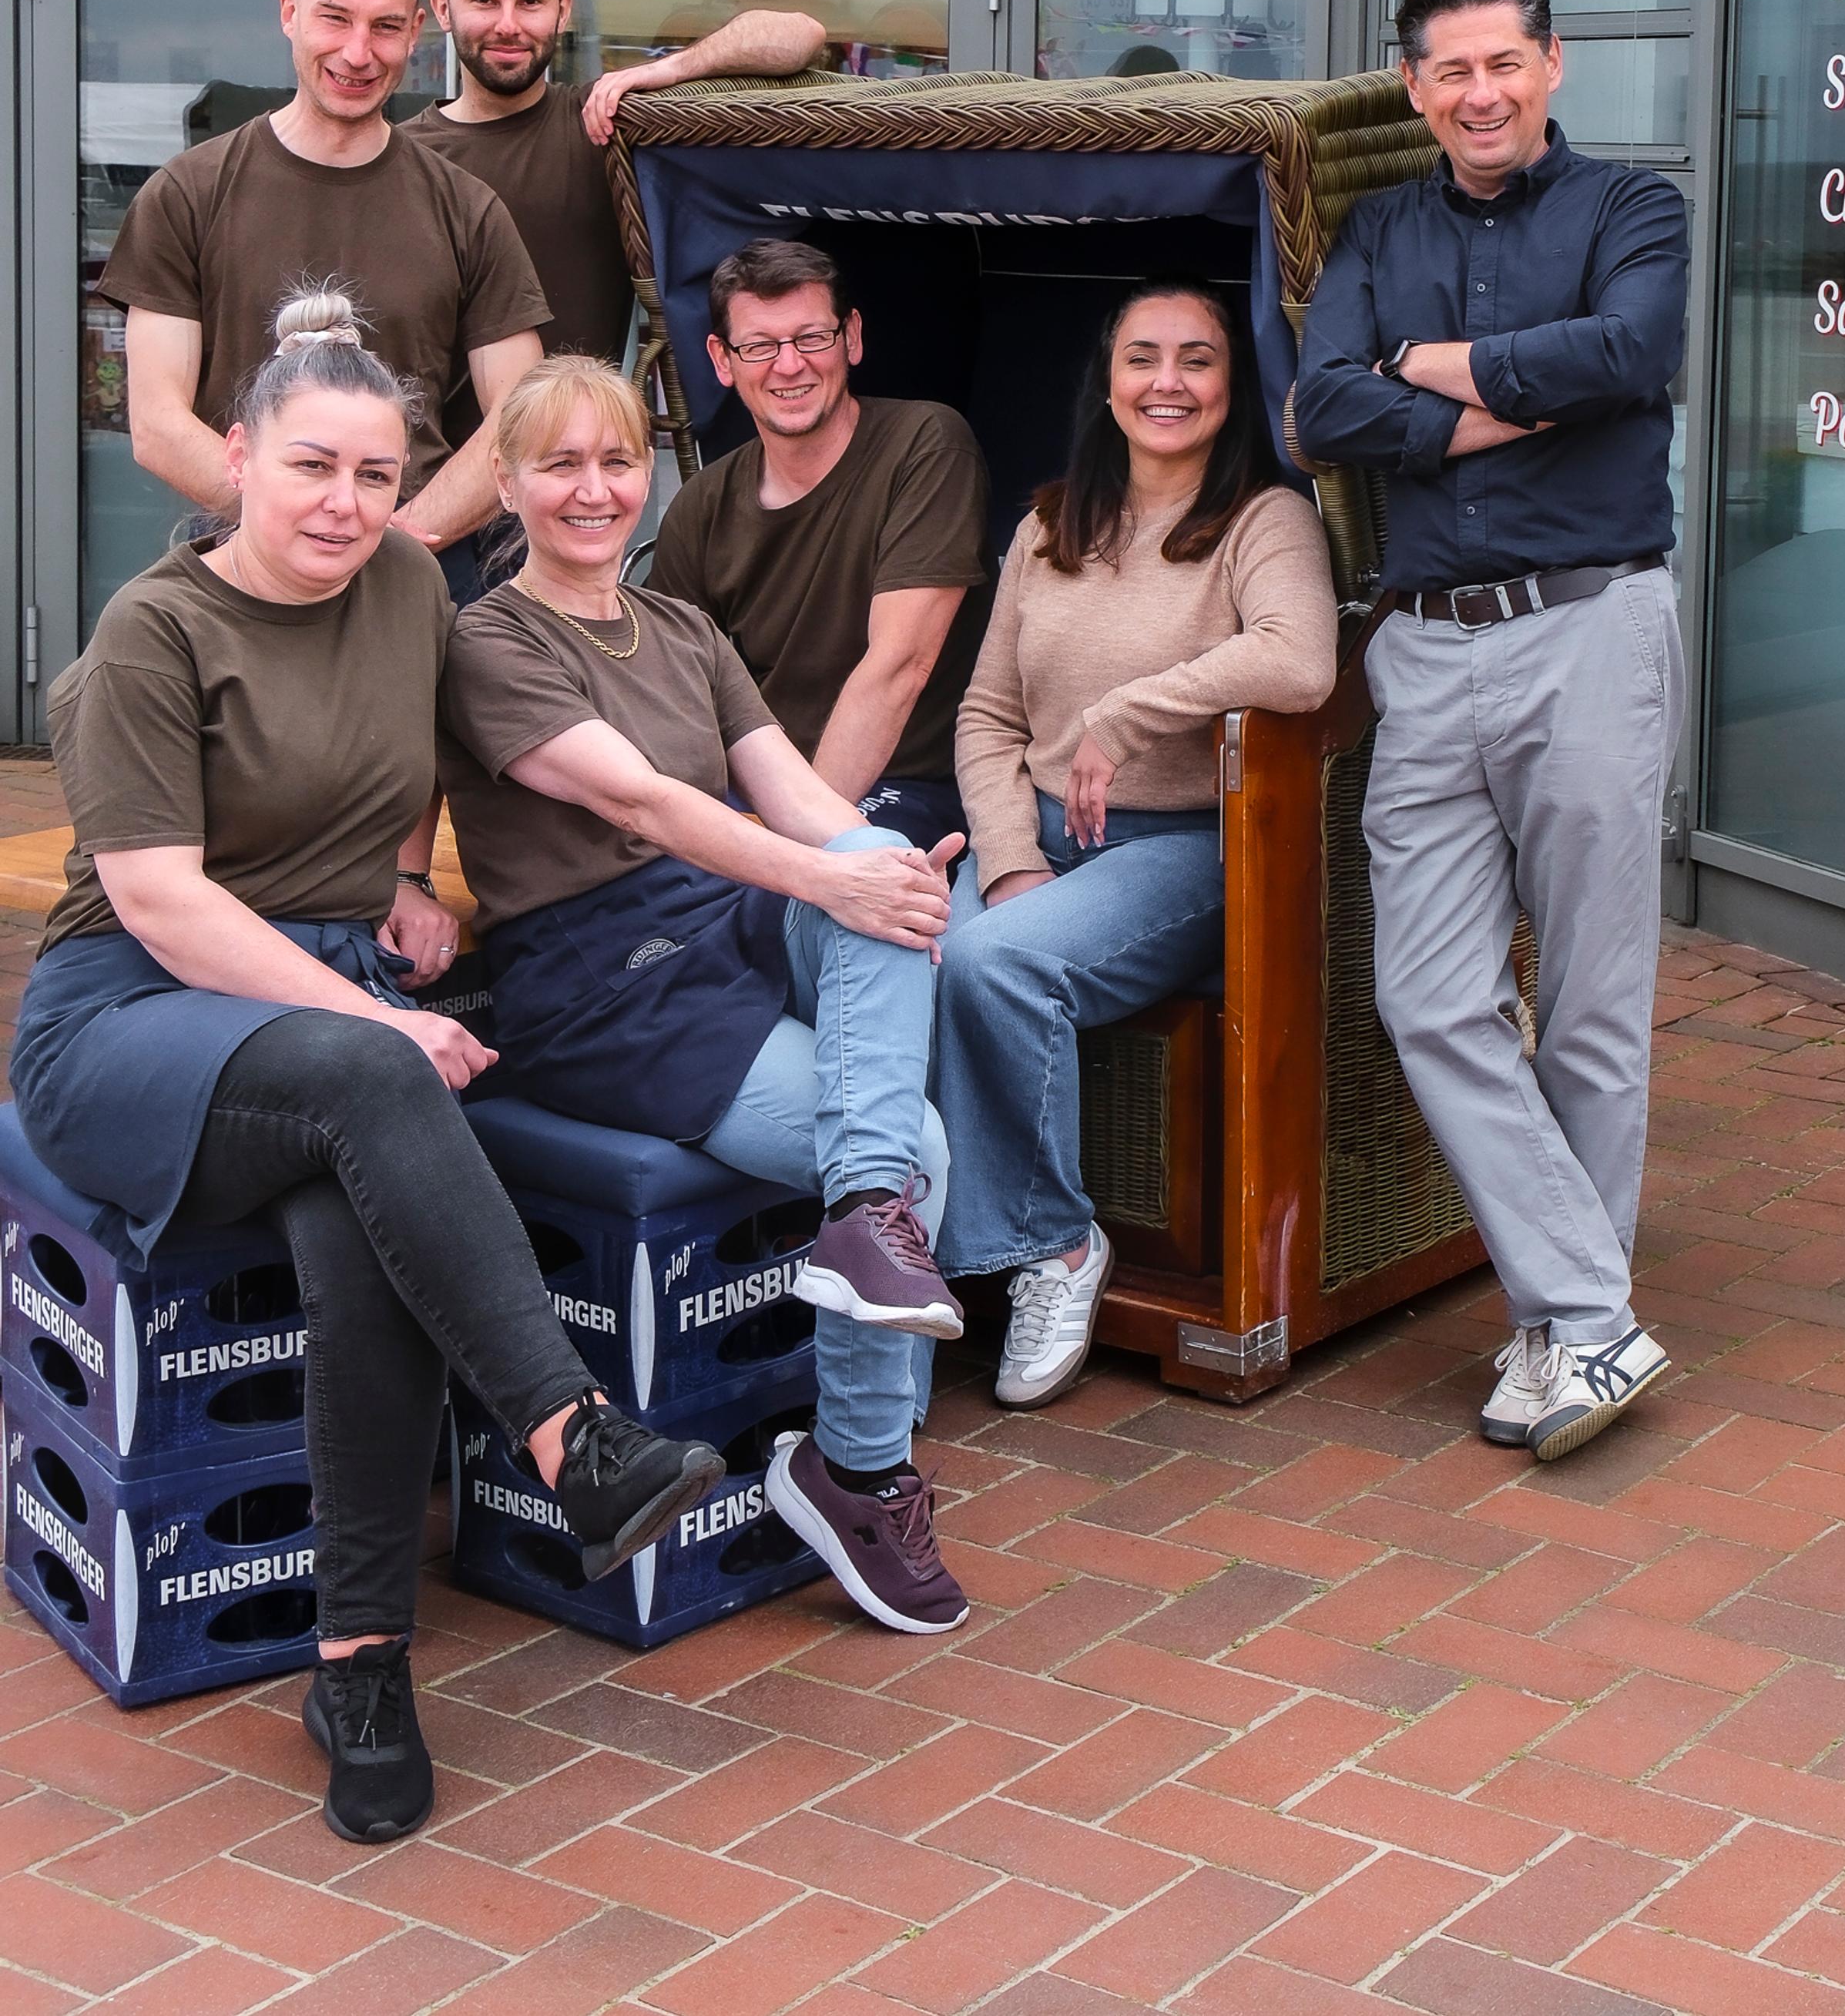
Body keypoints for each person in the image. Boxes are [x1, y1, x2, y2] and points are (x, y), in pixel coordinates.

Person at [10, 292, 726, 1847]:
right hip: (125, 1012)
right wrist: (388, 1021)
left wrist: (401, 877)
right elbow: (161, 899)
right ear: (238, 463)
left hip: (313, 998)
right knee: (379, 1078)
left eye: (375, 473)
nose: (344, 501)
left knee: (362, 1232)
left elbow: (409, 753)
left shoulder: (408, 584)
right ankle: (569, 1433)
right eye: (310, 466)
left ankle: (361, 1664)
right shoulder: (158, 629)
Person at [438, 357, 973, 1636]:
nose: (592, 488)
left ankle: (857, 1276)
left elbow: (795, 796)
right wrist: (838, 886)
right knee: (925, 1151)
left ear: (648, 477)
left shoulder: (682, 628)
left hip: (722, 916)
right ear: (508, 485)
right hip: (594, 977)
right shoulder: (488, 639)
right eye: (559, 464)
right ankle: (862, 1470)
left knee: (867, 857)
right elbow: (645, 802)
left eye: (616, 461)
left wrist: (888, 876)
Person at [1292, 0, 1689, 1464]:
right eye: (1450, 70)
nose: (1479, 92)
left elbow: (1633, 352)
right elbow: (1320, 405)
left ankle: (1561, 1325)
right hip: (1427, 650)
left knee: (1591, 1004)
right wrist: (1525, 393)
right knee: (1430, 996)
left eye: (1504, 64)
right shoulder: (1378, 227)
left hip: (1589, 626)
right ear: (1415, 87)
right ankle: (1592, 1310)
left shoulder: (1632, 211)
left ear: (1551, 64)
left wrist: (1430, 374)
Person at [937, 281, 1337, 1407]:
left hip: (1184, 847)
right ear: (1107, 382)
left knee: (995, 961)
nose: (1169, 382)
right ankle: (924, 1245)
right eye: (1144, 357)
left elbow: (1301, 658)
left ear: (1231, 384)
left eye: (1198, 359)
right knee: (897, 950)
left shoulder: (1266, 521)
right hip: (1040, 833)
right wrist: (1010, 857)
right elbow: (988, 716)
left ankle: (1057, 1248)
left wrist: (1131, 708)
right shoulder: (1049, 523)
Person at [102, 0, 553, 599]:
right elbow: (157, 424)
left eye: (384, 26)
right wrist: (297, 522)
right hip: (237, 568)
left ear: (413, 34)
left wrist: (386, 534)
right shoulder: (188, 194)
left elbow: (520, 416)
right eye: (334, 19)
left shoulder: (467, 209)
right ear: (290, 13)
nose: (357, 52)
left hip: (420, 571)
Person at [650, 241, 988, 855]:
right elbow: (666, 690)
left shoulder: (927, 444)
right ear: (722, 360)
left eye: (812, 338)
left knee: (815, 891)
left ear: (852, 338)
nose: (789, 365)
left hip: (904, 784)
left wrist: (793, 845)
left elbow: (898, 667)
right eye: (759, 346)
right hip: (757, 785)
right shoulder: (702, 504)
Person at [409, 0, 827, 367]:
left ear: (563, 11)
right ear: (444, 9)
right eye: (485, 0)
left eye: (530, 1)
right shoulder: (402, 157)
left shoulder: (603, 121)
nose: (508, 24)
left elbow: (802, 36)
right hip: (436, 439)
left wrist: (670, 69)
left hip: (588, 436)